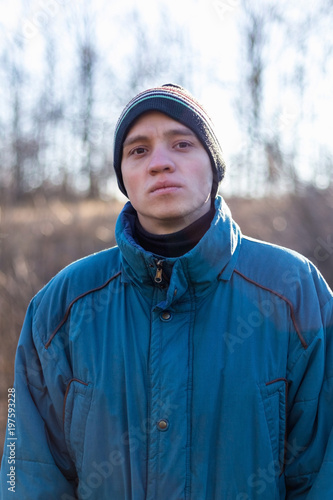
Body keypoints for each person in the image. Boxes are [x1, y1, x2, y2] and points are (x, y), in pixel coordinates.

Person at [0, 84, 333, 500]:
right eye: (138, 150)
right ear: (123, 175)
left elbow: (322, 474)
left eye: (181, 143)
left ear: (213, 165)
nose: (159, 162)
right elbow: (28, 474)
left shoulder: (293, 291)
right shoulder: (61, 307)